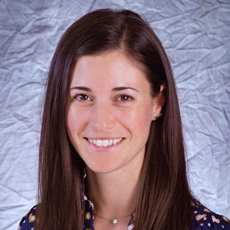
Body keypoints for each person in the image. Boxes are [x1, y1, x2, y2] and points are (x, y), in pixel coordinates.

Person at [18, 8, 230, 230]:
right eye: (83, 96)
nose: (101, 123)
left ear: (158, 102)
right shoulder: (37, 225)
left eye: (123, 97)